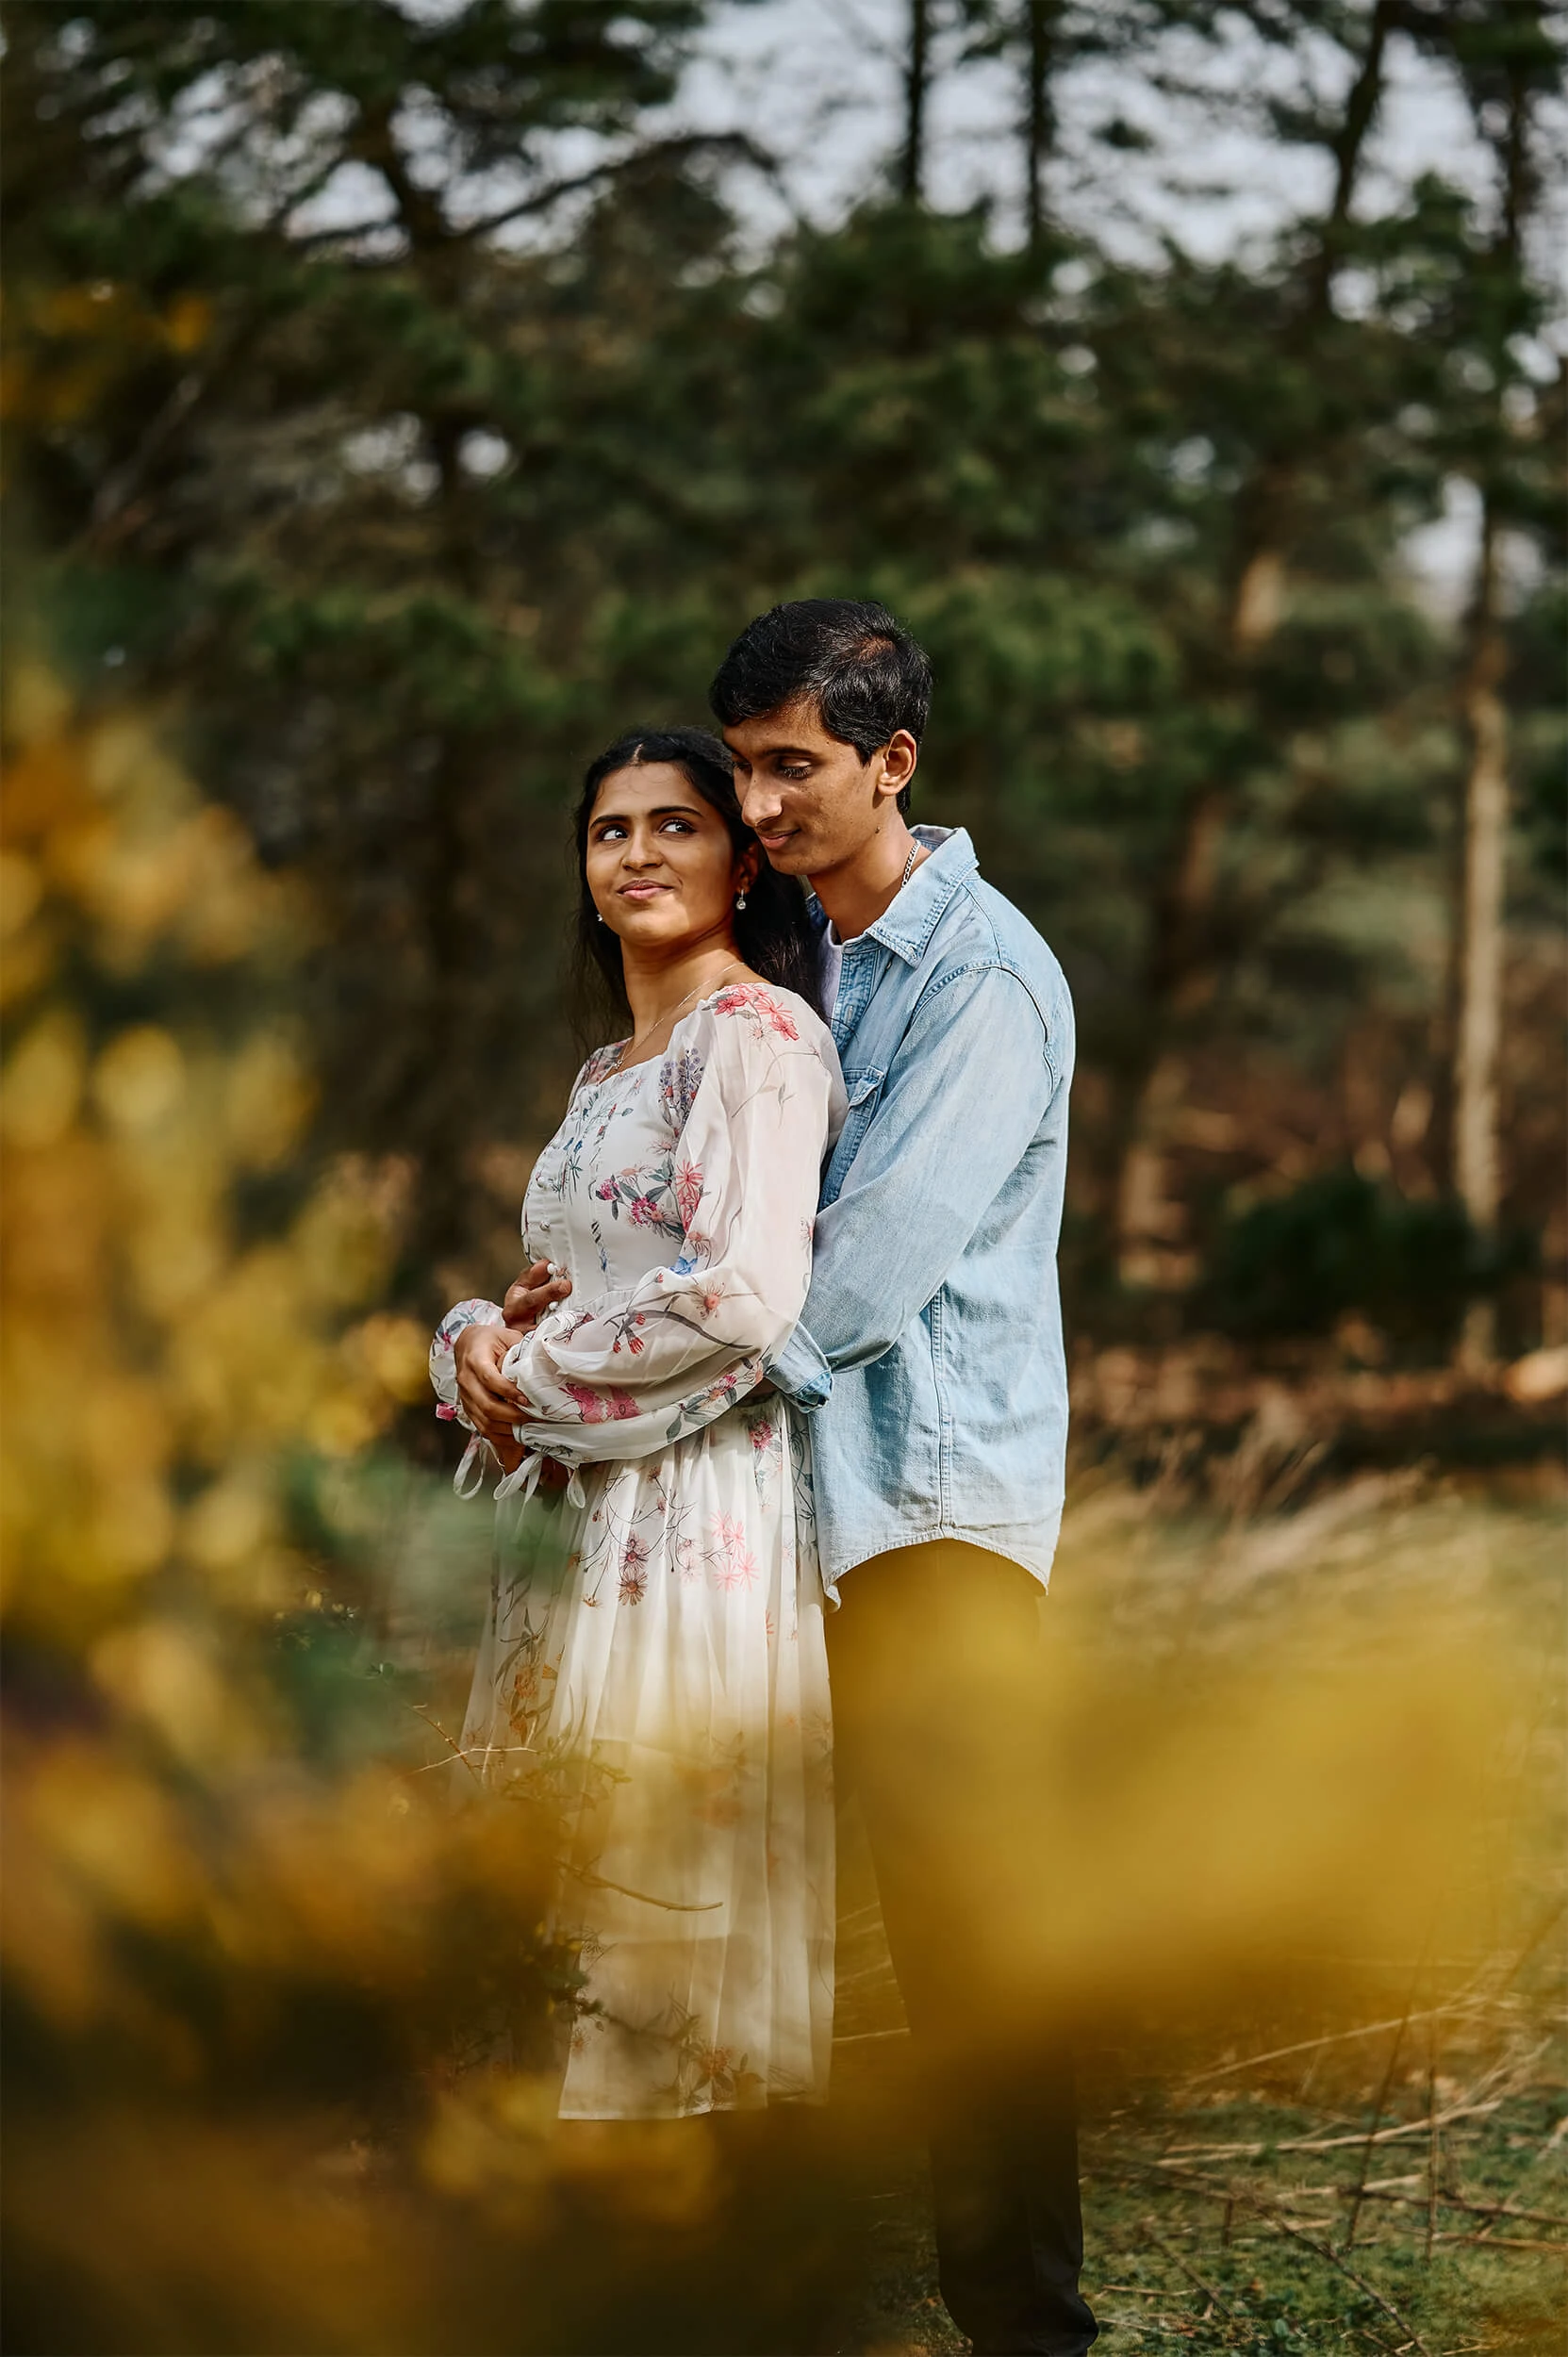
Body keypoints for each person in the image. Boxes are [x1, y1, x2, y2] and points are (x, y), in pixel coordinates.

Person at [505, 602, 1095, 2355]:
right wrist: (612, 1296)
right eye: (739, 766)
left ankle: (1026, 2332)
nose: (753, 806)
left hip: (927, 1521)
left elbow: (845, 1275)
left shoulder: (981, 976)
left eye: (790, 769)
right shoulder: (800, 957)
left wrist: (585, 1354)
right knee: (724, 1921)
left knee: (976, 1941)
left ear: (886, 764)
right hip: (764, 1515)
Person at [431, 725, 845, 2123]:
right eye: (611, 830)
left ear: (739, 864)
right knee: (549, 1848)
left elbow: (738, 1295)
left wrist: (531, 1377)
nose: (639, 853)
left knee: (649, 1860)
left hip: (684, 1507)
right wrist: (479, 1339)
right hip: (570, 1502)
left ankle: (677, 2231)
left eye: (676, 824)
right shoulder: (610, 1066)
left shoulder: (758, 1036)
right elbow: (575, 1281)